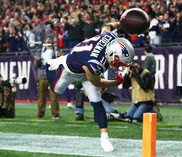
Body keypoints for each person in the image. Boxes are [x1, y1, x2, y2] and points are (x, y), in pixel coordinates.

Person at [45, 21, 135, 152]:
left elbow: (107, 26)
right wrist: (116, 82)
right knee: (57, 89)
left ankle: (104, 137)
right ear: (112, 54)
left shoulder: (111, 37)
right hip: (69, 69)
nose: (119, 65)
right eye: (119, 62)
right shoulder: (95, 62)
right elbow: (97, 82)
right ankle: (51, 63)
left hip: (85, 66)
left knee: (97, 102)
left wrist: (121, 23)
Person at [34, 36, 60, 119]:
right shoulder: (40, 51)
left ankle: (55, 113)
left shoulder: (56, 50)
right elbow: (36, 65)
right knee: (42, 95)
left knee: (53, 96)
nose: (48, 41)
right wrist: (37, 60)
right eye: (47, 40)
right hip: (43, 75)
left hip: (53, 76)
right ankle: (40, 113)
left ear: (52, 42)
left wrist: (59, 57)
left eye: (50, 40)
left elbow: (60, 62)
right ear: (44, 42)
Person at [142, 46, 163, 121]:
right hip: (152, 78)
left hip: (148, 79)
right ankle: (157, 113)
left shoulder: (148, 58)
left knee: (149, 96)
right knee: (152, 95)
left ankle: (156, 114)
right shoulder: (153, 57)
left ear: (145, 51)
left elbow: (144, 69)